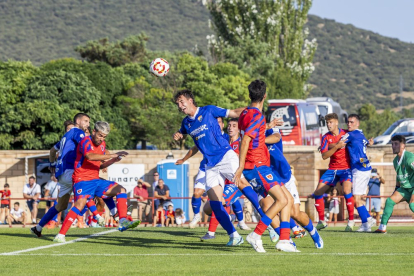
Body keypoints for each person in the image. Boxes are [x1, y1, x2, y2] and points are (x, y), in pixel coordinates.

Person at [173, 89, 248, 246]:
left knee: (242, 185)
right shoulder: (186, 123)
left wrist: (253, 111)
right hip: (210, 165)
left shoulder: (209, 111)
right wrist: (179, 136)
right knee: (213, 204)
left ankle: (268, 227)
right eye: (177, 104)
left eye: (181, 102)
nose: (180, 106)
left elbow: (234, 112)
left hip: (226, 160)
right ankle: (234, 235)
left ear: (190, 100)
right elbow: (185, 136)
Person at [234, 80, 298, 253]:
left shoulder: (245, 113)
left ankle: (284, 240)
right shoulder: (256, 115)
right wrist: (240, 167)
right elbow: (246, 139)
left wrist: (268, 125)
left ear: (249, 95)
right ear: (265, 96)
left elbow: (254, 135)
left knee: (288, 200)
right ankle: (256, 235)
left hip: (260, 166)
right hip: (256, 165)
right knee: (282, 200)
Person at [53, 121, 139, 243]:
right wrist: (113, 154)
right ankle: (60, 235)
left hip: (95, 180)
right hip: (82, 180)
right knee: (80, 204)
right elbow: (90, 156)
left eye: (104, 137)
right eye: (100, 135)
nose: (101, 139)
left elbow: (99, 165)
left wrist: (114, 159)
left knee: (121, 189)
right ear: (94, 132)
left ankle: (122, 221)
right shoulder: (85, 141)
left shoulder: (102, 145)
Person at [31, 113, 94, 237]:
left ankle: (38, 227)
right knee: (93, 186)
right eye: (86, 121)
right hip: (71, 171)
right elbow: (87, 148)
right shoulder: (78, 132)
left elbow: (52, 150)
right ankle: (98, 216)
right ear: (78, 121)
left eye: (89, 122)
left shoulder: (66, 136)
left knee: (61, 205)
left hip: (62, 174)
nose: (88, 124)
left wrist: (52, 164)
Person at [176, 117, 231, 229]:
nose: (217, 124)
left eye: (219, 122)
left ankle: (236, 220)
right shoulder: (207, 134)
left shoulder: (228, 137)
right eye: (215, 122)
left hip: (220, 170)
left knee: (221, 199)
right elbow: (195, 148)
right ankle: (196, 216)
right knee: (197, 193)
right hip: (205, 167)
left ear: (223, 125)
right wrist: (183, 159)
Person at [310, 113, 354, 231]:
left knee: (346, 191)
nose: (328, 125)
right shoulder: (325, 137)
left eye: (331, 122)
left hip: (346, 169)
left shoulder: (346, 133)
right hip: (332, 170)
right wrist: (336, 146)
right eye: (327, 123)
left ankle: (351, 221)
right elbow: (324, 156)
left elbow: (357, 141)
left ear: (336, 123)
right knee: (318, 193)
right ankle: (322, 221)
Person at [375, 135, 414, 234]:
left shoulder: (409, 157)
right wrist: (396, 189)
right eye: (392, 144)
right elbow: (399, 176)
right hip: (404, 189)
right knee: (389, 201)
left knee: (412, 205)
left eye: (396, 144)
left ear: (403, 145)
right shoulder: (395, 161)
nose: (393, 146)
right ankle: (382, 227)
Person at [345, 114, 374, 232]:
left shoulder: (350, 134)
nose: (349, 124)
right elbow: (365, 143)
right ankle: (365, 225)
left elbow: (339, 141)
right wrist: (369, 143)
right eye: (348, 122)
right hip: (366, 168)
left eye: (352, 122)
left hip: (360, 169)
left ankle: (368, 218)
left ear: (357, 124)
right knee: (359, 199)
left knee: (356, 200)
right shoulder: (361, 134)